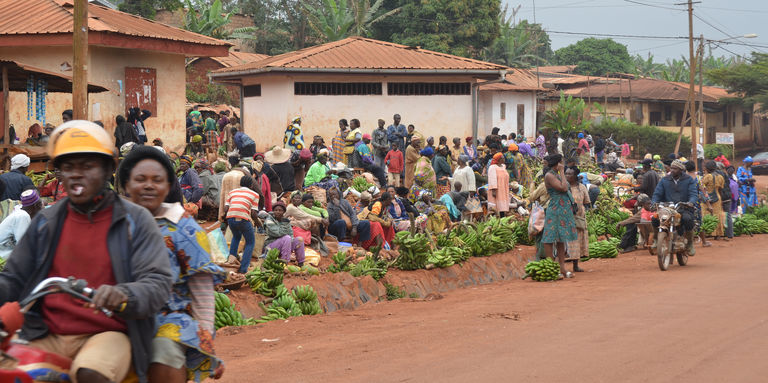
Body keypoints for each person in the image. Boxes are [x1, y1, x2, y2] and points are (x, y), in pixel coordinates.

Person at [0, 120, 172, 383]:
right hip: (47, 331)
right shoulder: (46, 221)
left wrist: (123, 293)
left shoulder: (135, 220)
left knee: (90, 374)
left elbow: (158, 283)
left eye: (87, 166)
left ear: (109, 169)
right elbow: (13, 278)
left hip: (108, 333)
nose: (75, 175)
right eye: (68, 167)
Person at [118, 146, 224, 382]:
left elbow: (202, 288)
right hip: (120, 316)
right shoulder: (113, 224)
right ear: (126, 185)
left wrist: (206, 334)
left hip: (169, 319)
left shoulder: (184, 228)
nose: (148, 185)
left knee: (163, 352)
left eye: (157, 180)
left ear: (167, 187)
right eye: (140, 179)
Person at [540, 154, 577, 278]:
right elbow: (563, 187)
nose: (563, 165)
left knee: (561, 238)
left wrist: (561, 172)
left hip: (563, 209)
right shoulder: (549, 175)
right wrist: (562, 171)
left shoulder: (556, 174)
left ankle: (562, 268)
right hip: (555, 208)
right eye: (561, 163)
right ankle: (552, 267)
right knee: (550, 237)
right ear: (557, 163)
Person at [651, 159, 698, 254]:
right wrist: (654, 202)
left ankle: (690, 243)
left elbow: (693, 193)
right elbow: (657, 193)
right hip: (667, 208)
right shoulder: (664, 180)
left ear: (681, 170)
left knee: (688, 220)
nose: (672, 170)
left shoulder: (689, 180)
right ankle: (656, 239)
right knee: (655, 219)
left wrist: (691, 202)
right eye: (671, 168)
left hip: (683, 208)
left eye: (675, 168)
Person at [223, 175, 261, 273]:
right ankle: (243, 269)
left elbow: (226, 209)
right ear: (251, 185)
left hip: (230, 218)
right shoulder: (255, 194)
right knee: (250, 242)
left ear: (240, 184)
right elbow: (253, 213)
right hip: (243, 218)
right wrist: (257, 222)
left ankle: (231, 264)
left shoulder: (232, 192)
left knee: (236, 237)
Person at [0, 189, 43, 260]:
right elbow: (24, 245)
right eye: (40, 206)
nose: (41, 209)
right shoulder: (23, 216)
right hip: (3, 254)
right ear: (36, 206)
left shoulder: (20, 212)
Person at [264, 201, 305, 265]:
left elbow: (291, 233)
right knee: (287, 238)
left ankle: (301, 262)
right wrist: (286, 234)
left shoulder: (286, 221)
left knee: (299, 239)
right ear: (273, 211)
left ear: (283, 212)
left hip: (285, 245)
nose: (277, 212)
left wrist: (289, 242)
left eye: (280, 210)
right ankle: (284, 262)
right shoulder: (269, 220)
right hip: (271, 246)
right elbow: (277, 233)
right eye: (276, 210)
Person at [564, 166, 587, 272]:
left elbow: (586, 201)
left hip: (579, 216)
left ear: (575, 176)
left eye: (570, 174)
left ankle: (575, 265)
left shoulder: (582, 187)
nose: (567, 176)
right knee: (567, 240)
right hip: (566, 216)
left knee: (578, 240)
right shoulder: (563, 187)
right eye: (566, 173)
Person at [701, 160, 726, 240]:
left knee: (706, 214)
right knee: (717, 215)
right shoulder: (720, 177)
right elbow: (721, 189)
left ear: (707, 168)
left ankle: (708, 233)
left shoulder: (708, 176)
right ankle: (718, 234)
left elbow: (701, 187)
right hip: (717, 197)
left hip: (707, 198)